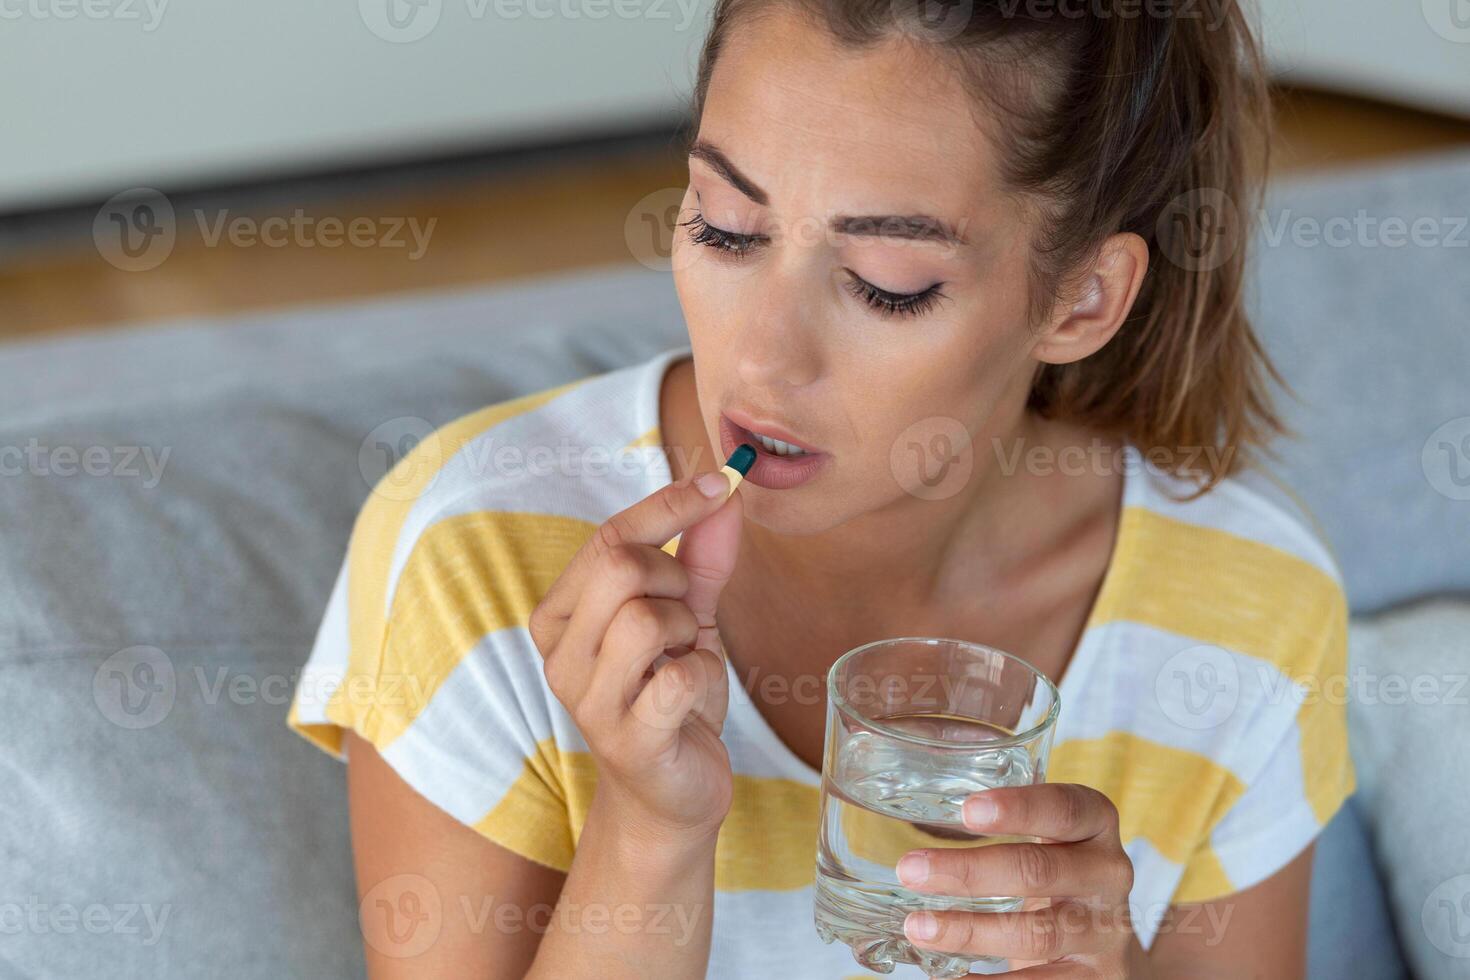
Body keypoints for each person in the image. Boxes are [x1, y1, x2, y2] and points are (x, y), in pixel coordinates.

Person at [288, 1, 1353, 976]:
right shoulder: (473, 553)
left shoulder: (1250, 606)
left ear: (1081, 299)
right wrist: (649, 833)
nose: (762, 362)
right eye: (721, 226)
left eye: (888, 285)